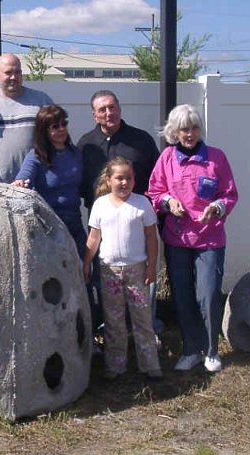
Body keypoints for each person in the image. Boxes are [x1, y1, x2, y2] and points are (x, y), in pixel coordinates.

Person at [148, 104, 238, 373]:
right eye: (184, 129)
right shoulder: (166, 158)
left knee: (208, 294)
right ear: (174, 132)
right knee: (183, 296)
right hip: (177, 239)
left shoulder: (216, 158)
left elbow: (229, 194)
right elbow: (155, 191)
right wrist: (168, 201)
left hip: (209, 239)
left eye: (194, 128)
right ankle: (190, 350)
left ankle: (211, 350)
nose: (189, 134)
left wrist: (217, 207)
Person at [77, 90, 161, 339]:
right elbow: (82, 184)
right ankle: (111, 333)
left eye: (112, 107)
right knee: (105, 281)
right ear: (94, 115)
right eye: (102, 110)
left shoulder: (141, 140)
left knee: (142, 282)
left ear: (120, 109)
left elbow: (157, 178)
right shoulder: (86, 144)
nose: (108, 113)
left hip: (137, 224)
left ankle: (145, 331)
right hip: (102, 224)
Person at [83, 156, 161, 380]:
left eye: (129, 178)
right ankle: (116, 366)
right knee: (114, 319)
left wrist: (151, 266)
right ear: (109, 180)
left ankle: (150, 364)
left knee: (142, 319)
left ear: (134, 180)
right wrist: (87, 262)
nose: (124, 183)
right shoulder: (100, 205)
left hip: (137, 268)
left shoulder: (142, 203)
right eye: (119, 178)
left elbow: (151, 237)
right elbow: (94, 237)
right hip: (109, 270)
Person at [13, 105, 87, 258]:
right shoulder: (36, 156)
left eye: (64, 124)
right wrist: (20, 183)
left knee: (80, 270)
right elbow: (23, 177)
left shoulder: (76, 154)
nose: (61, 129)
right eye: (55, 126)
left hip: (74, 222)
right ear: (44, 131)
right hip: (49, 224)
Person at [0, 53, 53, 183]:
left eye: (18, 72)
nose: (14, 77)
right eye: (8, 72)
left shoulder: (41, 101)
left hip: (36, 186)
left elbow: (57, 141)